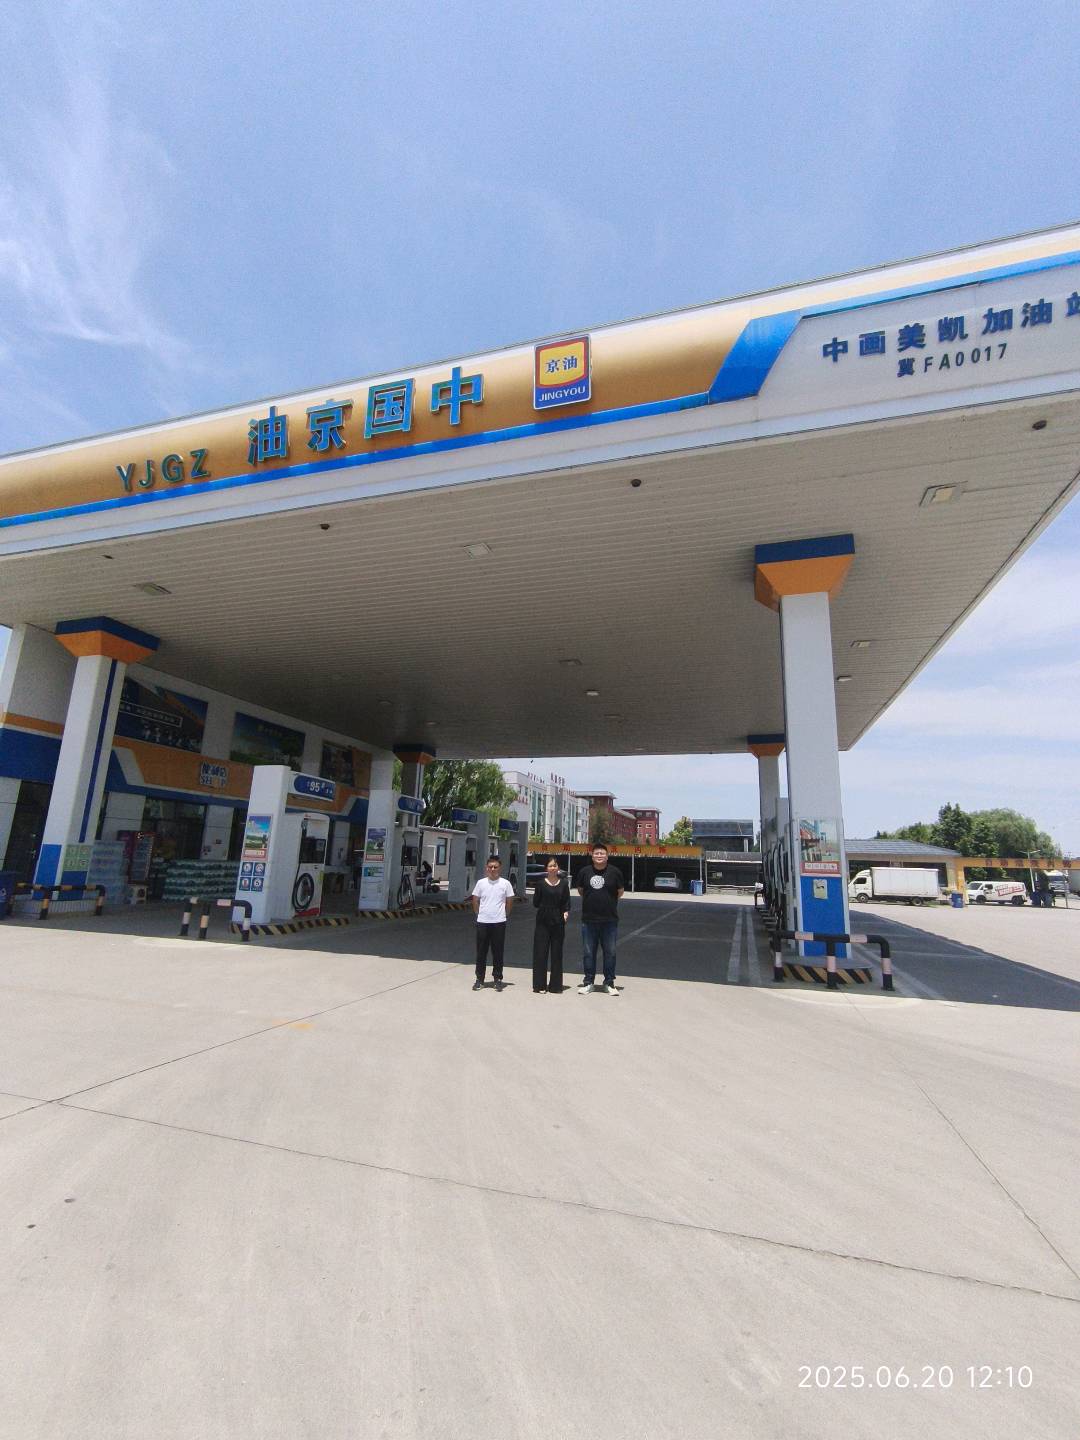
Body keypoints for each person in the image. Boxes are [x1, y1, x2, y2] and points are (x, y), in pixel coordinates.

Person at [574, 842, 625, 994]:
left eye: (602, 853)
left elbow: (620, 891)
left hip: (609, 920)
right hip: (589, 920)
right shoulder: (584, 872)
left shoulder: (615, 872)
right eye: (596, 853)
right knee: (588, 953)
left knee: (610, 953)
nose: (599, 855)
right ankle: (588, 982)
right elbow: (581, 890)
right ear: (592, 856)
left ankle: (609, 983)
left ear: (607, 856)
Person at [471, 855, 515, 991]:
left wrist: (505, 914)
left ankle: (498, 979)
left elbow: (510, 900)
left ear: (500, 868)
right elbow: (475, 899)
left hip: (499, 922)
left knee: (498, 952)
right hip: (483, 922)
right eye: (490, 867)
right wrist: (478, 913)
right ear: (487, 868)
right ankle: (479, 979)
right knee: (481, 952)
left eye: (495, 867)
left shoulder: (505, 884)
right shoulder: (481, 883)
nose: (493, 869)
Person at [531, 856, 570, 993]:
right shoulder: (540, 884)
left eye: (555, 865)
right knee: (540, 952)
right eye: (550, 866)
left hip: (558, 920)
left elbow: (566, 901)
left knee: (557, 953)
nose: (553, 868)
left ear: (558, 867)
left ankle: (555, 986)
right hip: (543, 919)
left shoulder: (564, 883)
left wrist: (565, 913)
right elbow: (536, 902)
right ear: (546, 868)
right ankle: (539, 985)